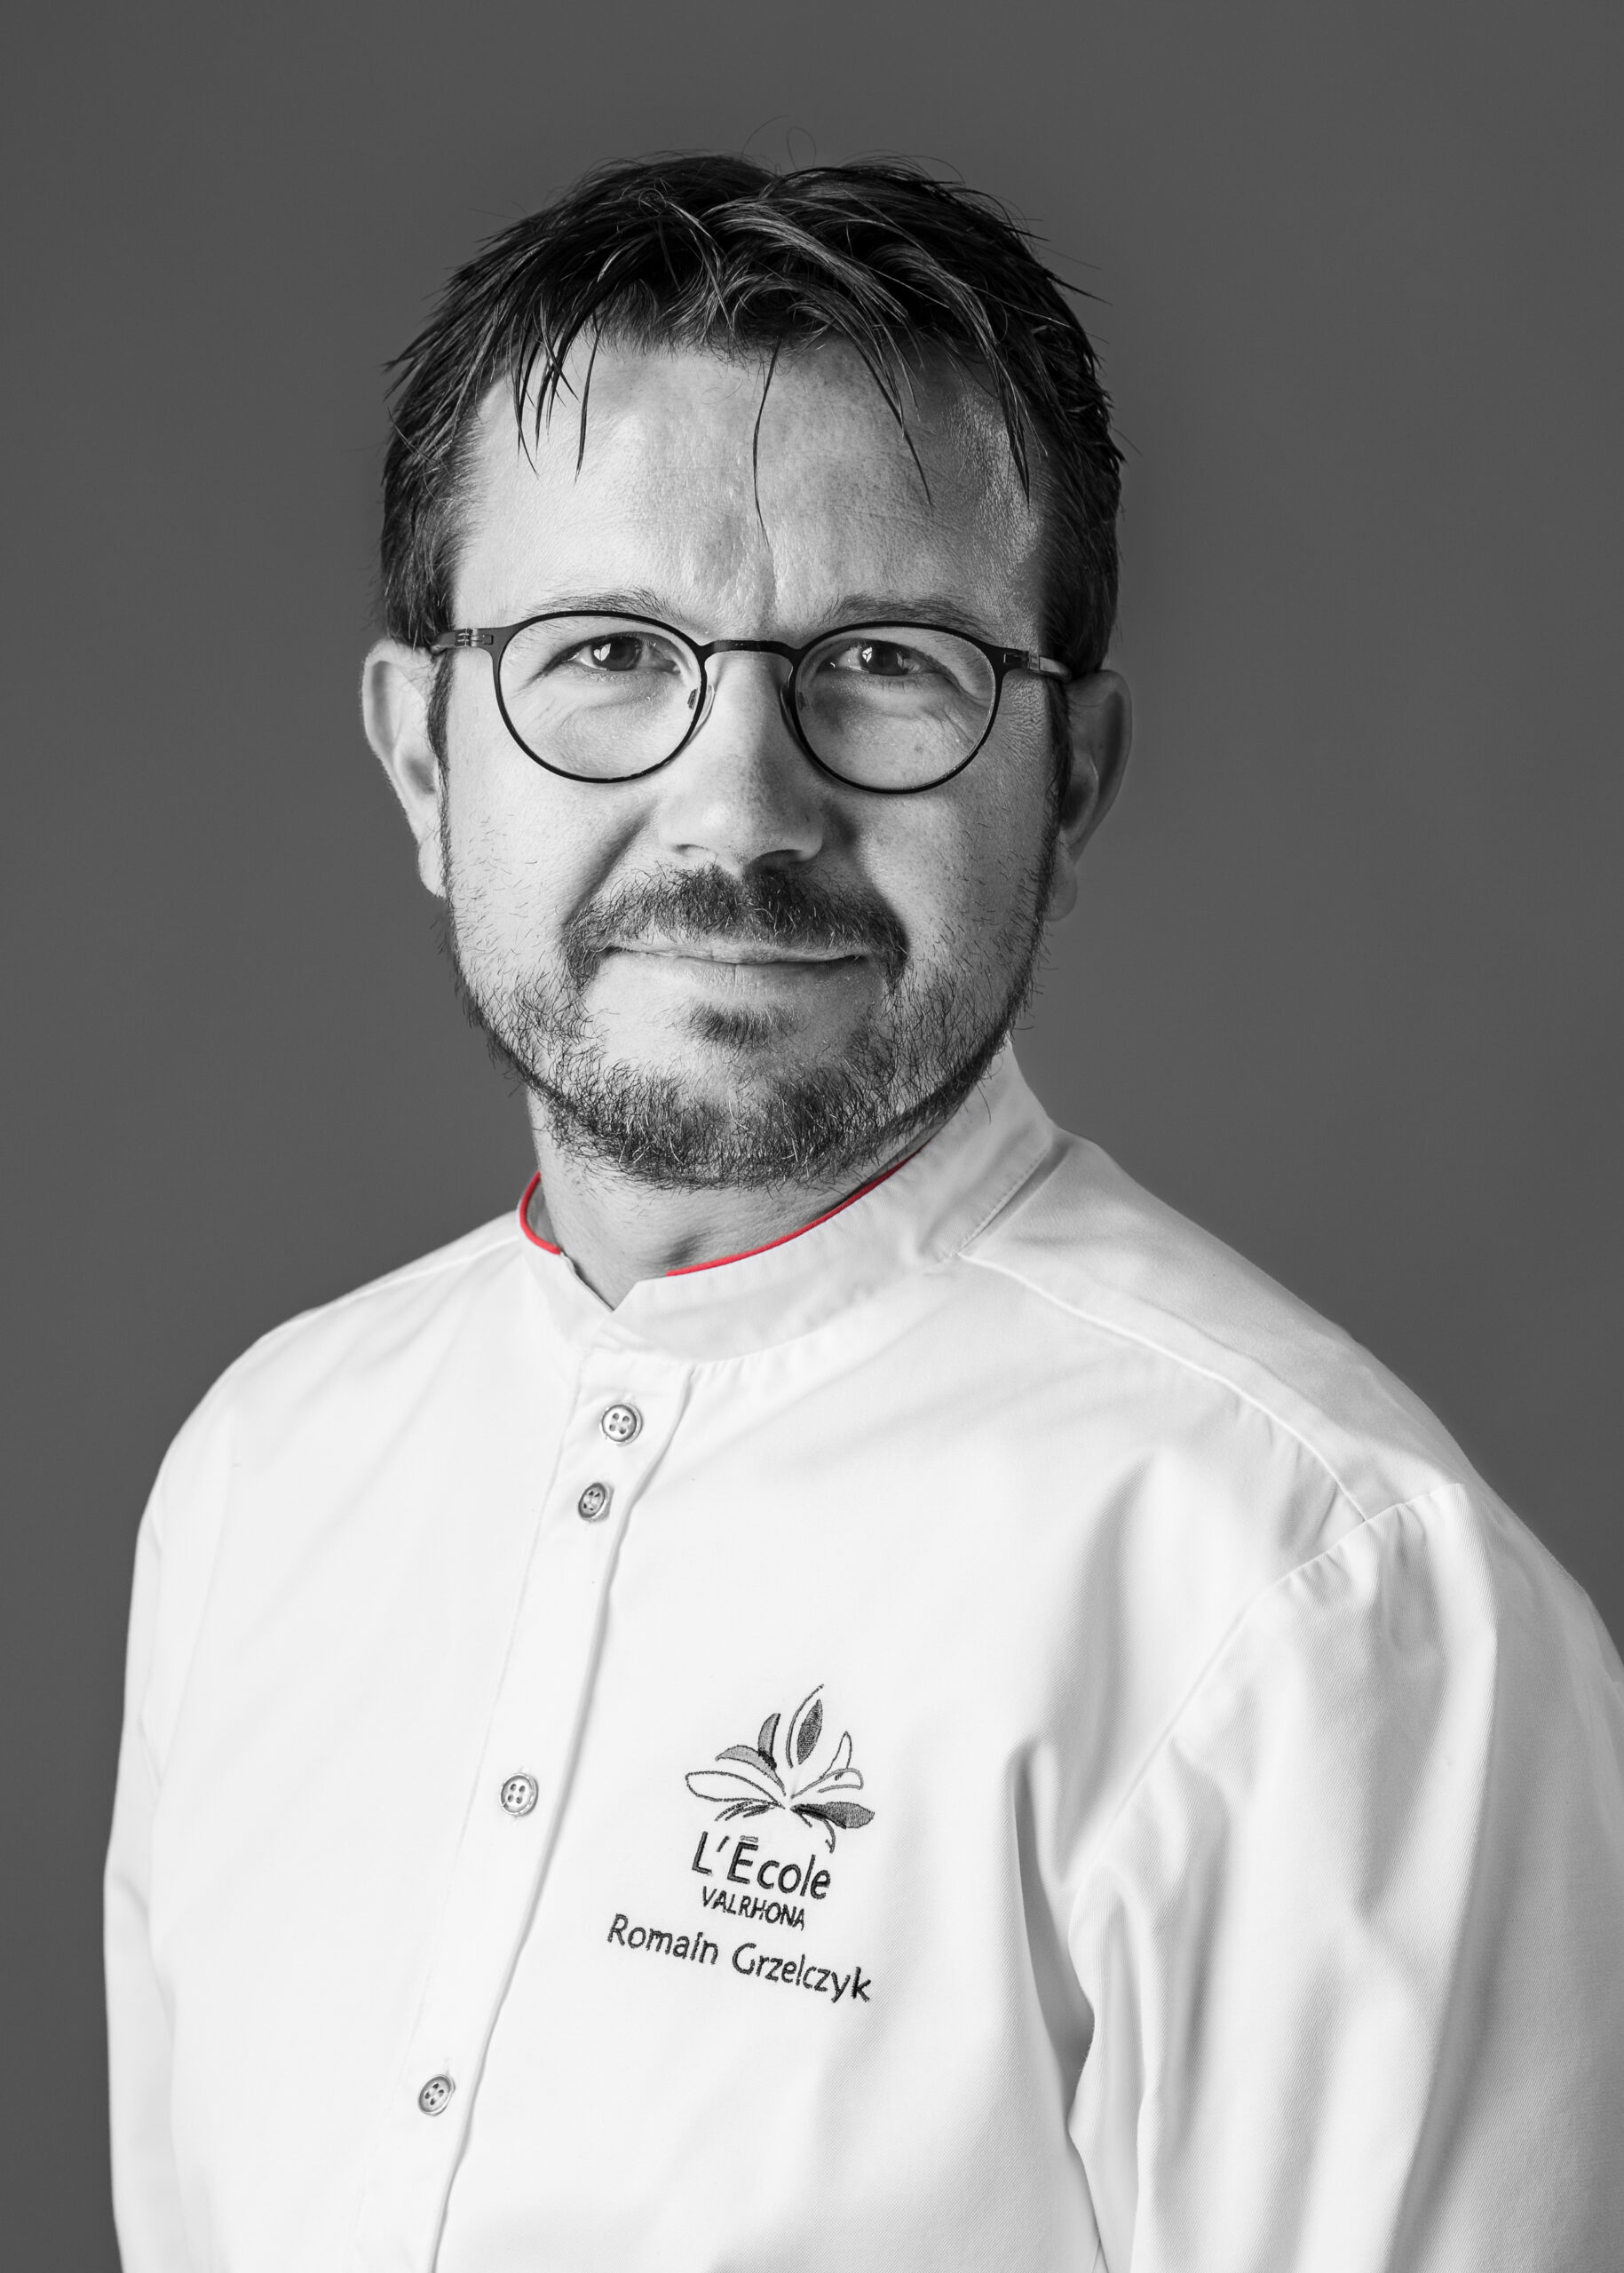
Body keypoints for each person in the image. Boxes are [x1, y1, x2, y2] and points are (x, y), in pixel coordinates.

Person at [104, 154, 1624, 2273]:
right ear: (427, 762)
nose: (740, 805)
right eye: (606, 650)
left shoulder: (1321, 1596)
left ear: (1070, 780)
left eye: (887, 661)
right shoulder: (262, 1474)